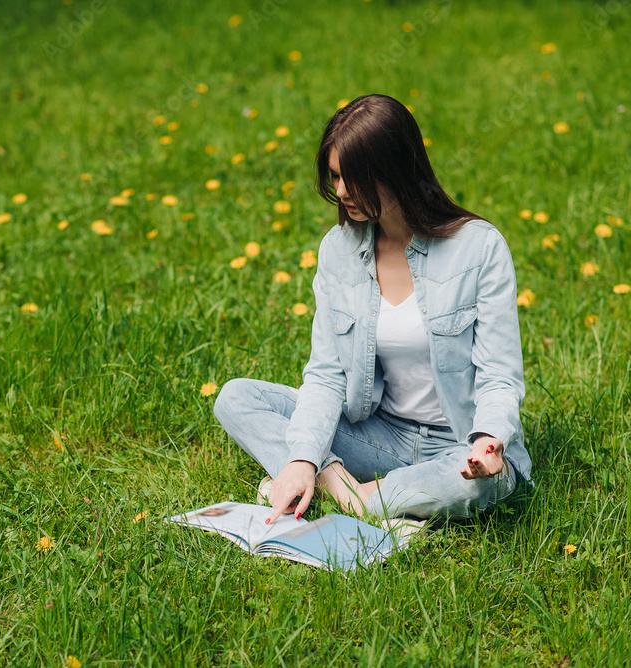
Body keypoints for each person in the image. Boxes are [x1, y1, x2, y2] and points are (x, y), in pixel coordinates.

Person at [214, 94, 531, 529]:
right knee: (236, 397)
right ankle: (354, 490)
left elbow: (500, 374)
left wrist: (489, 441)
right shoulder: (338, 250)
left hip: (460, 446)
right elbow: (325, 374)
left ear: (396, 172)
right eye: (336, 176)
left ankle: (349, 493)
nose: (341, 192)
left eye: (354, 179)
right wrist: (305, 456)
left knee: (474, 484)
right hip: (381, 436)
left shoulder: (479, 248)